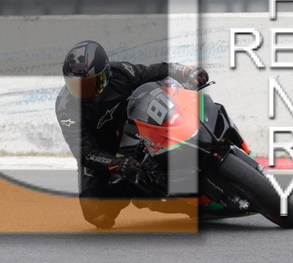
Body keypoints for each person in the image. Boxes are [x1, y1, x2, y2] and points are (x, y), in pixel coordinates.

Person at [55, 40, 208, 229]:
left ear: (106, 74)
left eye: (90, 84)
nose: (83, 93)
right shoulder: (66, 109)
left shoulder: (121, 73)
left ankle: (191, 143)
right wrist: (117, 164)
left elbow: (157, 71)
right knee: (97, 215)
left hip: (136, 129)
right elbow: (85, 153)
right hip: (101, 149)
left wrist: (187, 71)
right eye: (75, 86)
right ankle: (146, 193)